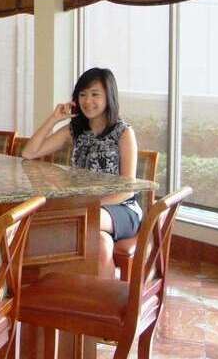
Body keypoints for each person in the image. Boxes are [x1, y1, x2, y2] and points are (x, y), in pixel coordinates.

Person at [21, 67, 139, 278]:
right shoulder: (75, 130)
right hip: (84, 209)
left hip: (121, 208)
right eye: (82, 94)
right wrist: (54, 118)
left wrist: (86, 206)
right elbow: (30, 153)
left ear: (109, 96)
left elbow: (127, 190)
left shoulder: (123, 132)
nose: (87, 101)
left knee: (76, 222)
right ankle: (92, 293)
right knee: (100, 243)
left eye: (95, 94)